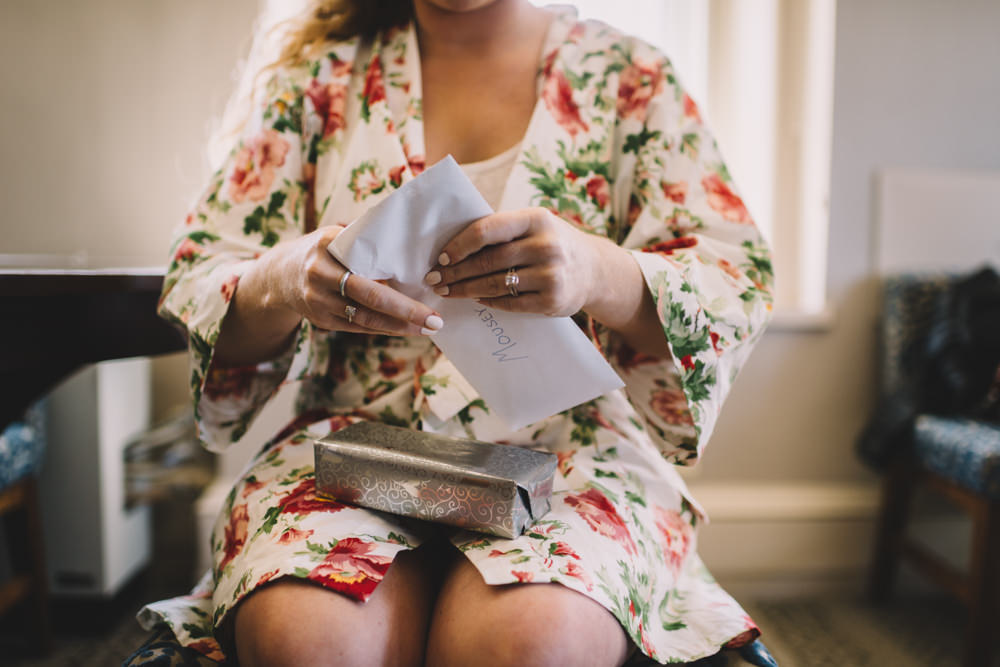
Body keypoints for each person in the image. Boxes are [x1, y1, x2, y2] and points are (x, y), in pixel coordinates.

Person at [138, 1, 776, 665]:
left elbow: (733, 280)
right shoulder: (317, 79)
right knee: (309, 638)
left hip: (570, 453)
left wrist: (597, 271)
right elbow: (202, 276)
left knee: (532, 640)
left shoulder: (632, 79)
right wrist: (284, 278)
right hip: (357, 446)